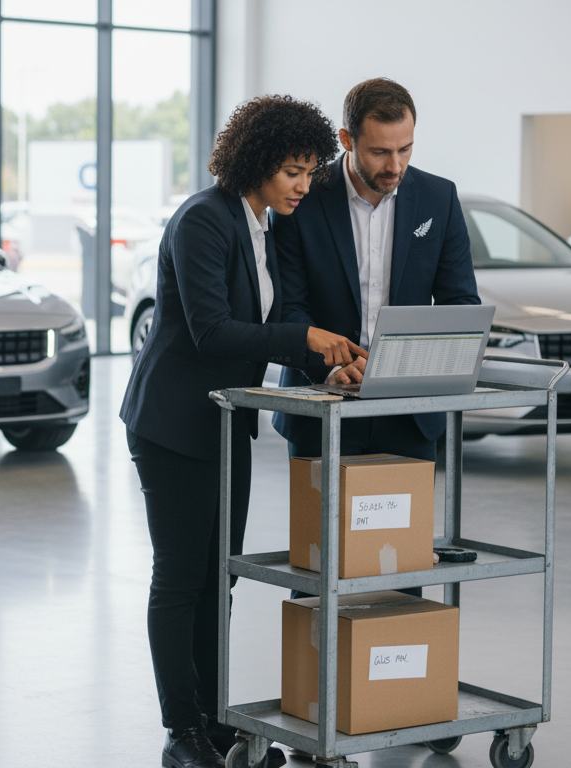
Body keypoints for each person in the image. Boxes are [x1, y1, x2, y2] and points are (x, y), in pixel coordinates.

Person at [120, 95, 364, 768]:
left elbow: (277, 323)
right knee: (180, 579)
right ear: (257, 160)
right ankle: (183, 729)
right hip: (172, 422)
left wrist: (327, 364)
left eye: (311, 172)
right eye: (292, 170)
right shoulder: (204, 219)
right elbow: (211, 330)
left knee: (217, 577)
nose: (303, 186)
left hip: (226, 419)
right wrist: (305, 335)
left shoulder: (267, 227)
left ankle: (217, 718)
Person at [273, 78, 480, 462]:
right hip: (321, 402)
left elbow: (461, 302)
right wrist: (329, 367)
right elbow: (287, 306)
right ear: (346, 140)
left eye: (406, 149)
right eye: (380, 152)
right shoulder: (301, 198)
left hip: (411, 412)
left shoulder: (440, 197)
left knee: (401, 525)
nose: (395, 165)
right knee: (323, 525)